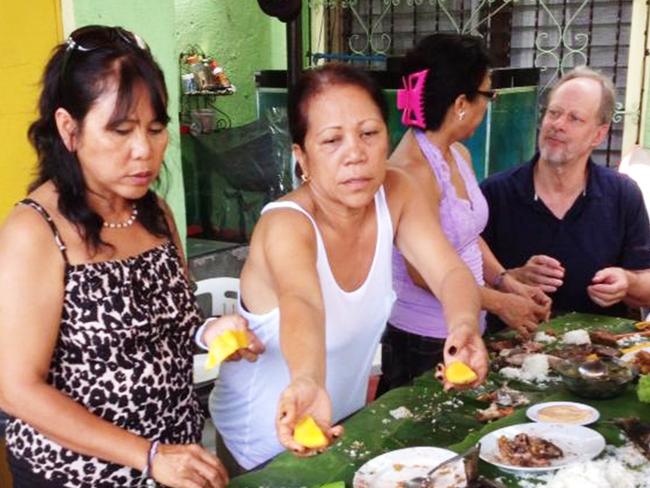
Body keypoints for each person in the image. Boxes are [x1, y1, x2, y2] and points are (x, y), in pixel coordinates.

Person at [0, 25, 260, 488]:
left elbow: (172, 330)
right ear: (69, 129)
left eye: (156, 129)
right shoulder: (35, 231)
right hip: (77, 476)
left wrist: (211, 331)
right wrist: (148, 455)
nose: (145, 151)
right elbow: (16, 388)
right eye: (120, 130)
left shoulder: (153, 213)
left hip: (176, 462)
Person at [197, 63, 489, 471]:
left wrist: (463, 325)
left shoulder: (396, 190)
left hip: (338, 426)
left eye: (369, 133)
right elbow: (304, 304)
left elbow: (449, 272)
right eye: (332, 140)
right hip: (263, 444)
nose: (355, 153)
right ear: (302, 157)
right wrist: (308, 381)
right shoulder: (285, 224)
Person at [378, 34, 550, 395]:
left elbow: (468, 234)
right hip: (424, 338)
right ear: (461, 103)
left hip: (467, 321)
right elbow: (424, 273)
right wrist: (502, 304)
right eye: (488, 94)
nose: (488, 105)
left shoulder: (457, 154)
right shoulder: (411, 171)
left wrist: (507, 282)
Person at [481, 66, 650, 322]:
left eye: (575, 118)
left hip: (599, 355)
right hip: (512, 350)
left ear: (599, 134)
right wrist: (510, 278)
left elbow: (646, 285)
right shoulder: (495, 193)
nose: (558, 125)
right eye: (554, 113)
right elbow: (458, 278)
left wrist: (627, 282)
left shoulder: (623, 195)